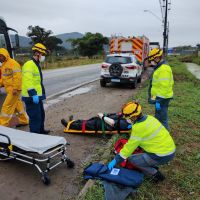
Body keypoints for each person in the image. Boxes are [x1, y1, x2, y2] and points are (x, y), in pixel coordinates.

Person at [107, 101, 176, 183]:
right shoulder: (150, 118)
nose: (127, 120)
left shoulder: (138, 129)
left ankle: (156, 175)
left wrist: (115, 160)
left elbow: (128, 149)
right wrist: (133, 126)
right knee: (141, 152)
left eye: (128, 118)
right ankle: (151, 163)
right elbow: (145, 129)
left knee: (132, 160)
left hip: (161, 156)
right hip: (170, 149)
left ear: (134, 117)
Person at [22, 43, 50, 134]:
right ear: (37, 53)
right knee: (35, 117)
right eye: (43, 54)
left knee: (41, 115)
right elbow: (27, 81)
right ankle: (35, 136)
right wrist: (33, 94)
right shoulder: (29, 64)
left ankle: (41, 131)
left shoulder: (36, 64)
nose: (43, 57)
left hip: (37, 96)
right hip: (31, 97)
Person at [0, 48, 29, 127]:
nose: (0, 58)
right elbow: (4, 78)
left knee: (7, 106)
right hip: (10, 89)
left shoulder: (13, 63)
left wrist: (15, 88)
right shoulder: (4, 65)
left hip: (14, 89)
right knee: (17, 106)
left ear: (5, 55)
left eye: (1, 56)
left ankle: (2, 124)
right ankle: (24, 120)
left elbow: (18, 77)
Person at [147, 48, 174, 130]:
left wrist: (158, 100)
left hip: (162, 98)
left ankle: (165, 133)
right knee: (159, 116)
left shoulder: (163, 69)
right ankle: (159, 132)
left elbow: (164, 86)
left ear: (157, 57)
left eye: (153, 59)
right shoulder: (161, 67)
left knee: (162, 117)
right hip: (160, 97)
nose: (153, 61)